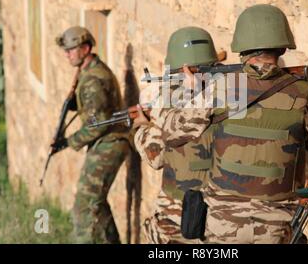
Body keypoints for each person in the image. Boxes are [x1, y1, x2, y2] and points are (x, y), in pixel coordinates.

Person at [152, 5, 308, 243]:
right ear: (283, 46)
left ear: (241, 49)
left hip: (223, 225)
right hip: (278, 224)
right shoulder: (306, 95)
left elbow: (172, 133)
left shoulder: (221, 88)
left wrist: (190, 93)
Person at [133, 27, 217, 243]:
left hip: (178, 213)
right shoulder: (233, 92)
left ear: (184, 69)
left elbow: (156, 156)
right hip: (222, 216)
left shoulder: (171, 102)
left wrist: (143, 127)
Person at [54, 26, 131, 243]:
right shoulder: (88, 72)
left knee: (84, 205)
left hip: (110, 142)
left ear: (86, 48)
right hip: (106, 142)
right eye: (66, 50)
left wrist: (69, 142)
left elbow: (98, 124)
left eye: (71, 49)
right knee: (96, 202)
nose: (67, 54)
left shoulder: (93, 79)